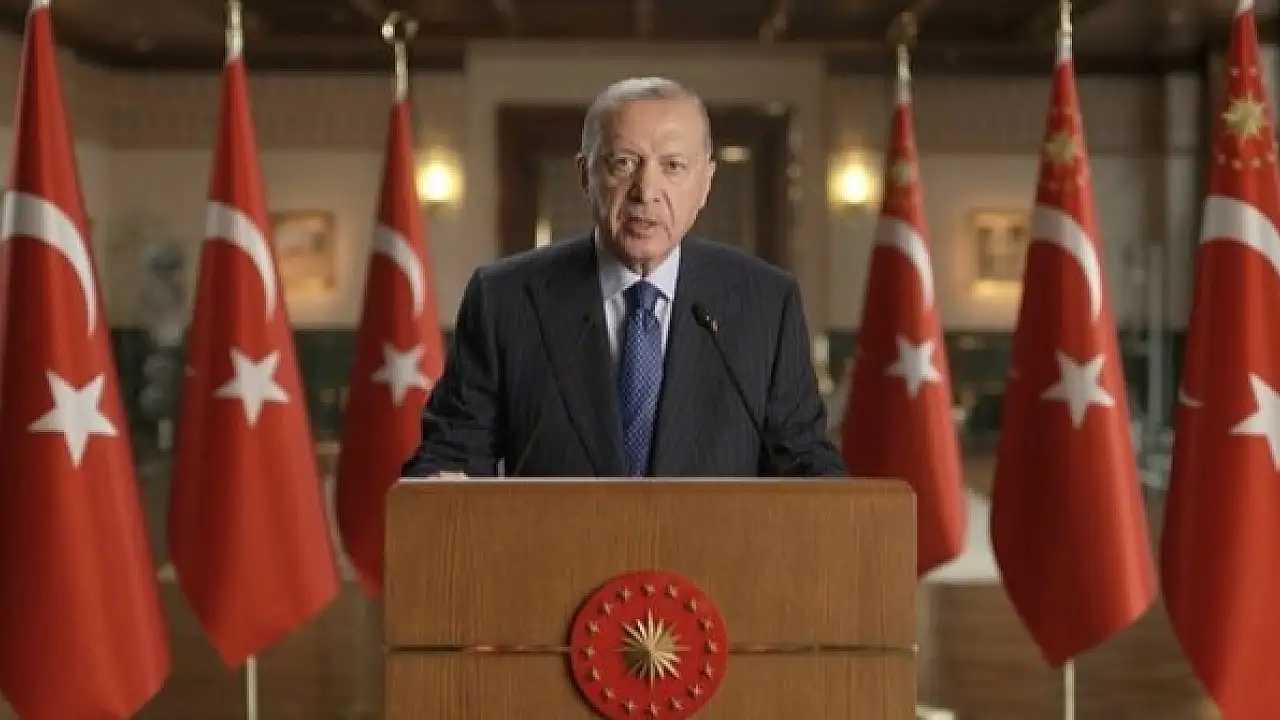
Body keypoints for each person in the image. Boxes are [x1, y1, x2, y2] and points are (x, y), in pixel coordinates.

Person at [402, 76, 845, 478]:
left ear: (705, 183)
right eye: (623, 163)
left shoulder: (766, 302)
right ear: (585, 175)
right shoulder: (504, 299)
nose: (646, 191)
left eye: (673, 166)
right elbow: (451, 454)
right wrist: (442, 485)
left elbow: (805, 462)